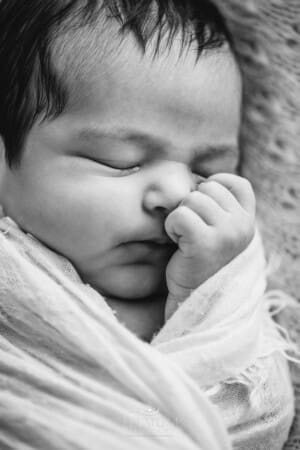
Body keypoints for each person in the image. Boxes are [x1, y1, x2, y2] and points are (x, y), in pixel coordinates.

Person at [0, 1, 295, 449]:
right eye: (119, 162)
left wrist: (204, 296)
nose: (179, 193)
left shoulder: (226, 269)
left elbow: (261, 415)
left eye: (207, 169)